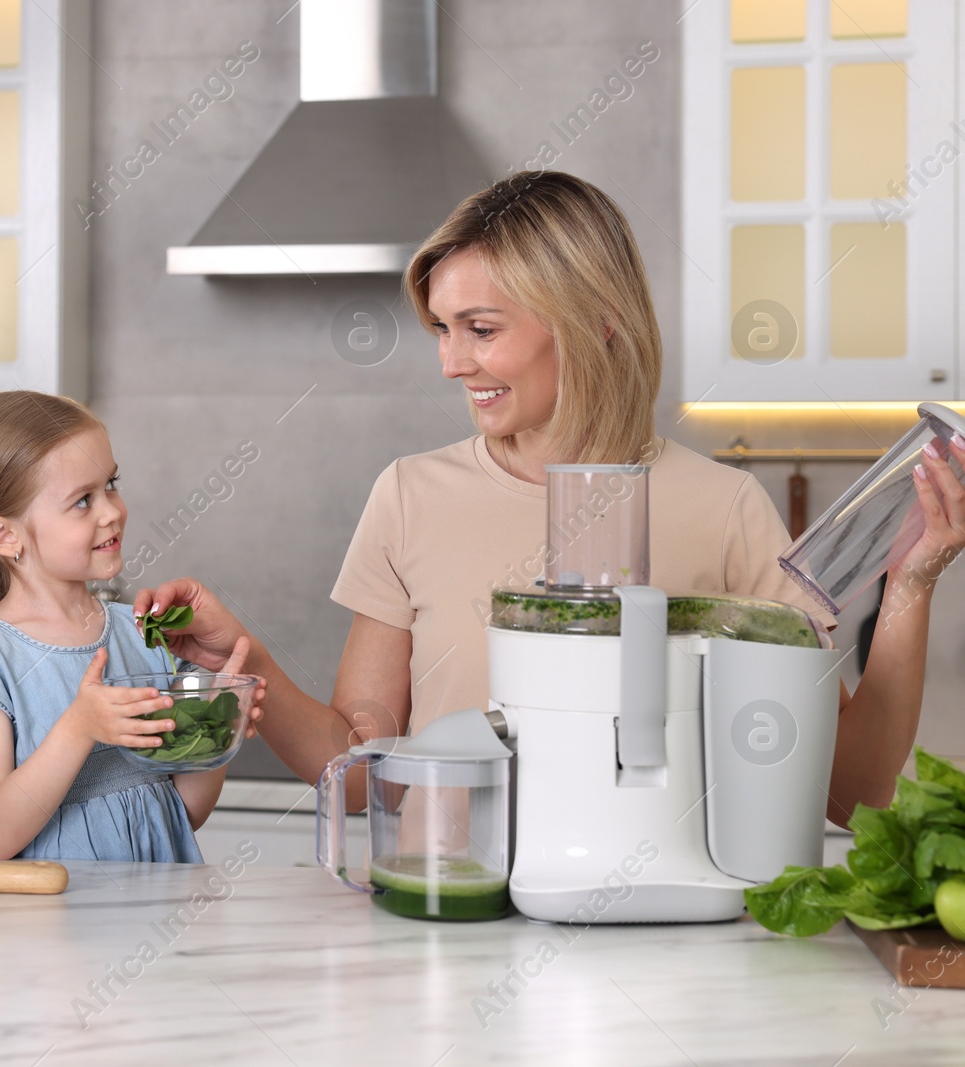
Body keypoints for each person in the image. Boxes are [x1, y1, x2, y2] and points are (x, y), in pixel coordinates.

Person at [132, 170, 965, 826]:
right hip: (447, 919)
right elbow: (369, 776)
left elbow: (850, 791)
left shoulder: (724, 509)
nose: (451, 364)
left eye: (481, 329)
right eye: (442, 329)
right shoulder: (410, 494)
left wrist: (913, 584)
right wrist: (252, 665)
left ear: (597, 318)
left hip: (655, 938)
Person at [0, 391, 262, 861]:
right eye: (83, 500)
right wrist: (78, 727)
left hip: (144, 915)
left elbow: (183, 813)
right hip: (36, 926)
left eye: (111, 483)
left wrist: (215, 723)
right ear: (5, 535)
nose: (113, 510)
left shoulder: (144, 635)